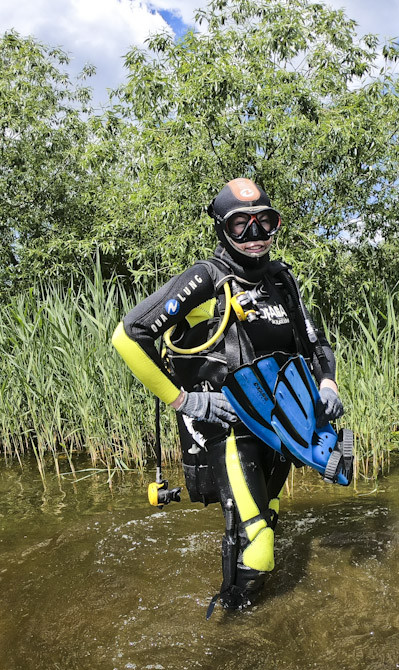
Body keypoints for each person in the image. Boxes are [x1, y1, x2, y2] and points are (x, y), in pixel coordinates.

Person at [112, 178, 345, 613]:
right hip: (229, 427)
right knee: (258, 542)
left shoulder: (281, 279)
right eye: (241, 225)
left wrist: (327, 383)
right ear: (222, 229)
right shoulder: (205, 279)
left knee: (263, 516)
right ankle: (234, 629)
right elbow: (129, 336)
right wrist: (185, 401)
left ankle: (240, 610)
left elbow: (315, 343)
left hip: (281, 427)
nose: (255, 236)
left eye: (265, 223)